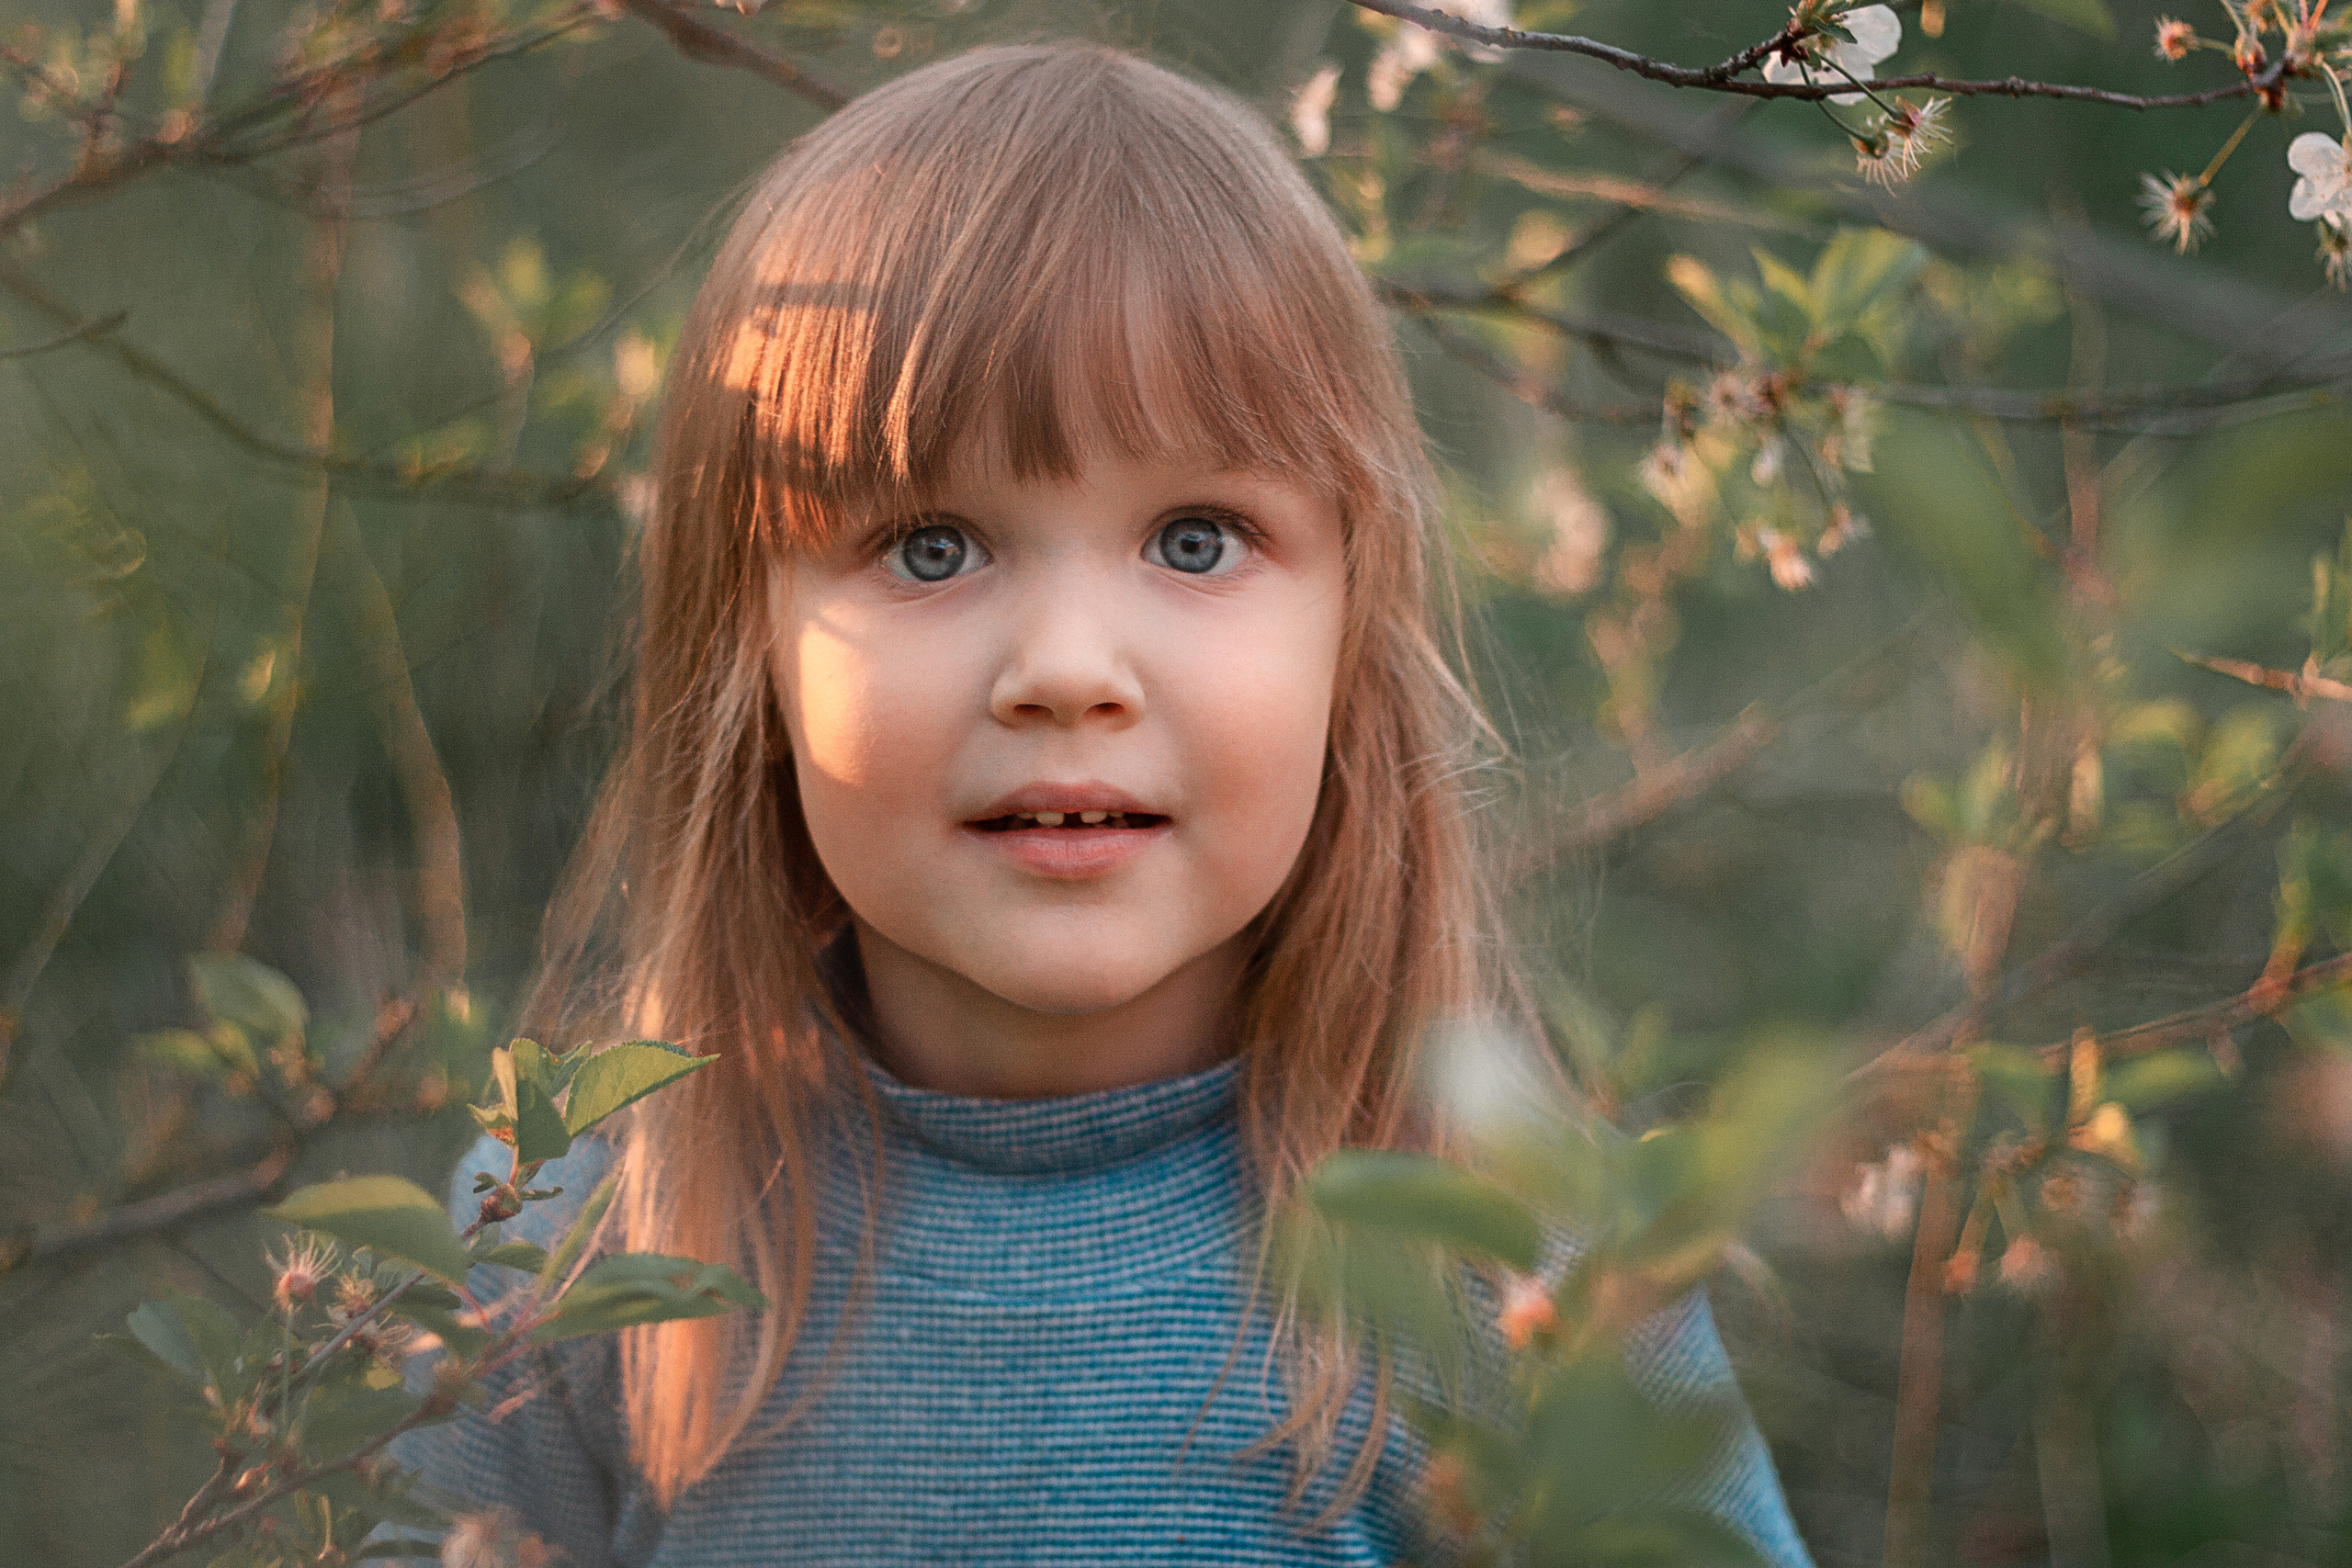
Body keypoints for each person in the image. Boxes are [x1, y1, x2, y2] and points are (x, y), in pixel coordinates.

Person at [394, 40, 1815, 1568]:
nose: (1067, 672)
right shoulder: (577, 1249)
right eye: (931, 546)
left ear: (1353, 636)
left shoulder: (1524, 1270)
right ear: (753, 645)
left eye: (1197, 541)